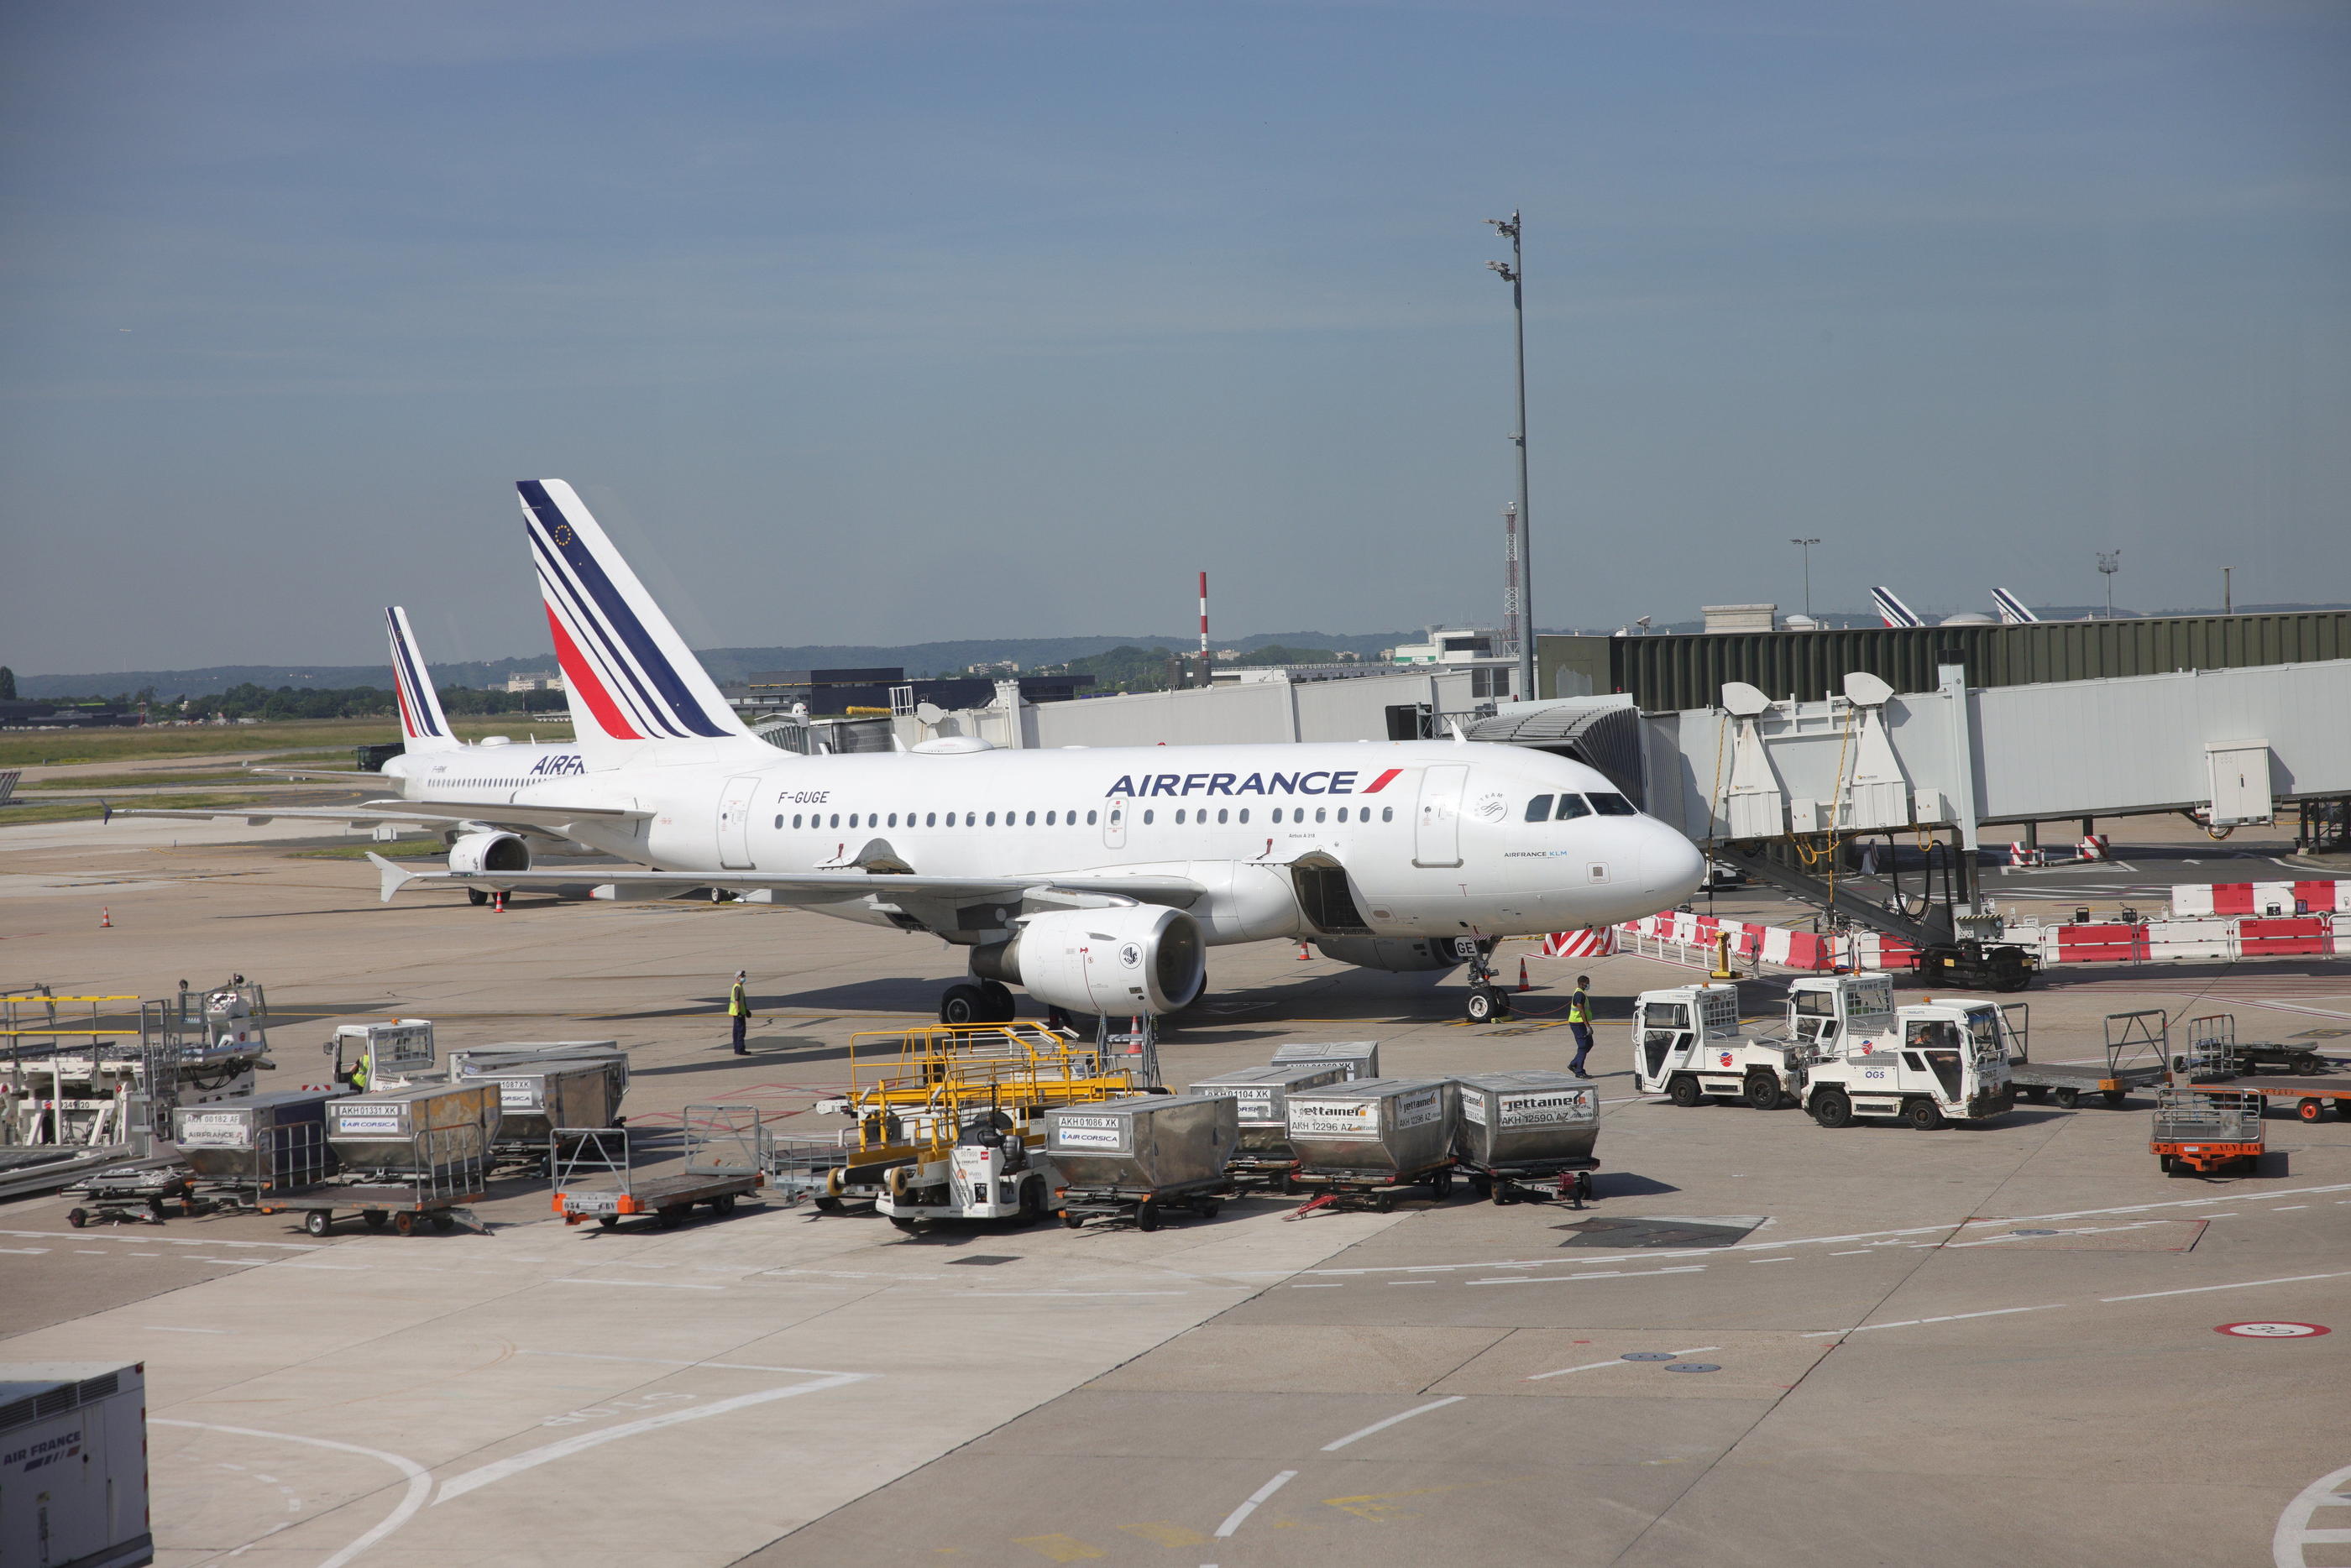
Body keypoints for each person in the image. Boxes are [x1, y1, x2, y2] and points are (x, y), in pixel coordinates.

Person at [1568, 975, 1595, 1076]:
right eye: (1587, 982)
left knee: (1589, 1043)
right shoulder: (1579, 994)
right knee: (1583, 1046)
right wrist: (1588, 1026)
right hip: (1578, 1023)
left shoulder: (1581, 993)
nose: (1589, 985)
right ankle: (1579, 1071)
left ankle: (1574, 1063)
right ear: (1583, 983)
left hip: (1581, 1023)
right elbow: (1581, 1010)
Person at [728, 970, 751, 1055]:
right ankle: (740, 1049)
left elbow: (741, 1001)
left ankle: (737, 1048)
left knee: (736, 1031)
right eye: (742, 976)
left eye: (744, 976)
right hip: (738, 1013)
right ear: (737, 978)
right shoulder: (738, 987)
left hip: (738, 1012)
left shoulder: (739, 987)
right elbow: (737, 1001)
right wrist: (739, 1012)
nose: (744, 977)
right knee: (741, 1031)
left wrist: (746, 1010)